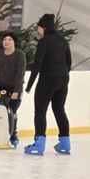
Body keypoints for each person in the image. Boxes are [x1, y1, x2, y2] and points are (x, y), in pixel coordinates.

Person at [24, 13, 73, 155]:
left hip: (47, 80)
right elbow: (68, 62)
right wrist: (63, 75)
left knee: (40, 111)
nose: (37, 30)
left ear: (42, 27)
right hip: (63, 80)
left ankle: (39, 144)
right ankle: (65, 144)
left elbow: (37, 65)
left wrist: (29, 86)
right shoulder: (63, 40)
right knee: (59, 109)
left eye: (38, 27)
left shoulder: (44, 41)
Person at [0, 31, 27, 147]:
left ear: (14, 42)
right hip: (0, 88)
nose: (7, 42)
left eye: (10, 39)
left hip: (14, 88)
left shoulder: (19, 55)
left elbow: (20, 74)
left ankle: (12, 135)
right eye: (5, 39)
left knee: (12, 112)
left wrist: (16, 91)